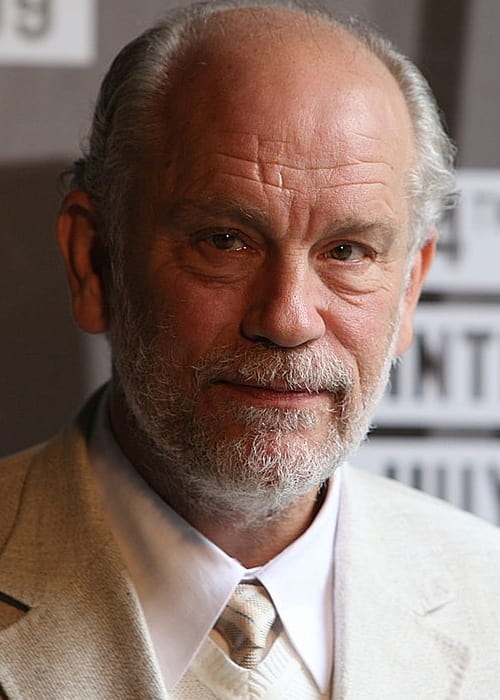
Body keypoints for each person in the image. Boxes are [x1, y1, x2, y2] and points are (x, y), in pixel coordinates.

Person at [1, 1, 499, 698]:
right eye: (225, 242)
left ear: (409, 288)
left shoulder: (490, 599)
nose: (288, 319)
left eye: (348, 251)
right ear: (95, 260)